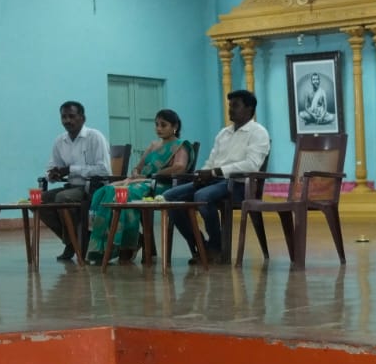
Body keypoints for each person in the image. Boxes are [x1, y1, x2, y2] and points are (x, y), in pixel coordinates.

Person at [163, 90, 270, 263]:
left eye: (235, 105)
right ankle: (200, 245)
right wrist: (201, 174)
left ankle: (216, 246)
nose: (230, 109)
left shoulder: (258, 132)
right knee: (170, 196)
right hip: (215, 181)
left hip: (239, 185)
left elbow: (251, 165)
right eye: (230, 105)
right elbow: (211, 161)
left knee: (202, 196)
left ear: (249, 109)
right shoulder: (223, 133)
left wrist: (215, 172)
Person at [85, 110, 191, 265]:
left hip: (160, 186)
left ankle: (126, 245)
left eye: (163, 125)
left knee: (124, 194)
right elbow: (139, 167)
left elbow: (180, 167)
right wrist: (135, 173)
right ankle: (101, 248)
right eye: (156, 124)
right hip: (142, 182)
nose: (158, 128)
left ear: (175, 126)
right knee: (104, 191)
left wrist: (151, 176)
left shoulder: (180, 146)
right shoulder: (153, 145)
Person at [39, 101, 111, 261]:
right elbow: (52, 166)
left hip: (93, 188)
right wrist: (52, 175)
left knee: (62, 198)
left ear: (82, 118)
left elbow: (104, 170)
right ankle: (72, 241)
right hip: (71, 186)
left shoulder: (94, 137)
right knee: (39, 201)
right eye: (63, 117)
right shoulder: (60, 141)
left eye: (71, 116)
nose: (67, 121)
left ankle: (76, 242)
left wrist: (71, 169)